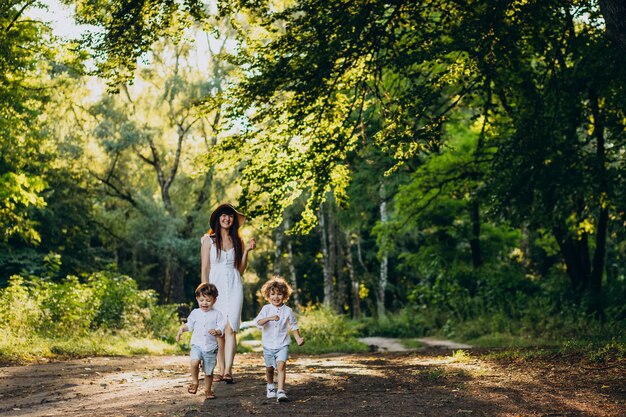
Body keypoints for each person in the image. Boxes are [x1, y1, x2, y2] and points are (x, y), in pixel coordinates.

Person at [201, 203, 256, 384]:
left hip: (234, 285)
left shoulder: (237, 241)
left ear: (233, 220)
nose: (227, 218)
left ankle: (228, 371)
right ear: (218, 219)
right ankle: (220, 369)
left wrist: (246, 251)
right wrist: (204, 292)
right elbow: (205, 268)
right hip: (214, 287)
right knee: (219, 331)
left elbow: (239, 269)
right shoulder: (208, 241)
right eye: (223, 215)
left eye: (230, 216)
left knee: (230, 327)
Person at [253, 276, 305, 402]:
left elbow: (293, 325)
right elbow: (257, 322)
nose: (276, 297)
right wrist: (269, 318)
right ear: (268, 295)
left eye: (279, 294)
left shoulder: (288, 311)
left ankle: (281, 391)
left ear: (285, 295)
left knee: (281, 365)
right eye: (272, 294)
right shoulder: (266, 309)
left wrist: (298, 338)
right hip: (268, 345)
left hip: (283, 344)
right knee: (269, 368)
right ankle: (270, 386)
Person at [176, 282, 226, 400]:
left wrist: (217, 331)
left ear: (214, 300)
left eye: (208, 300)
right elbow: (189, 325)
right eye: (202, 300)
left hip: (211, 347)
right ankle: (195, 382)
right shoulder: (195, 313)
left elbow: (221, 327)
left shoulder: (217, 314)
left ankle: (208, 390)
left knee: (208, 372)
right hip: (197, 345)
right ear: (197, 298)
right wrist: (181, 330)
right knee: (194, 362)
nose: (204, 303)